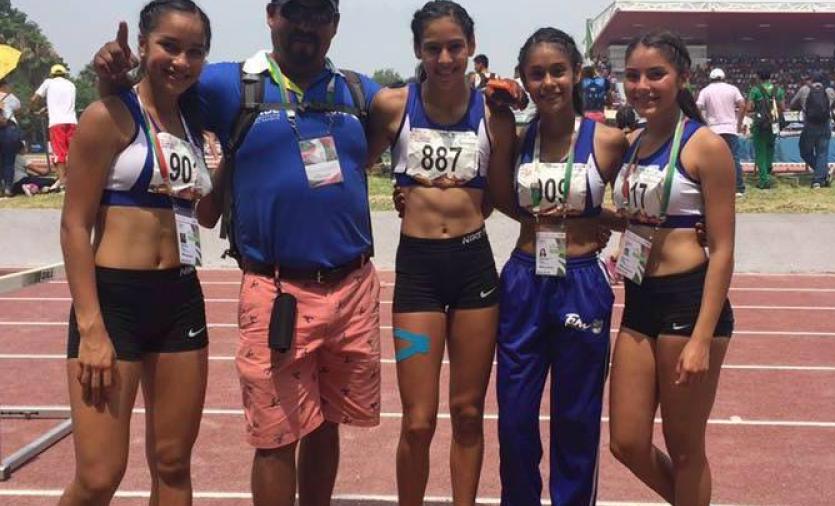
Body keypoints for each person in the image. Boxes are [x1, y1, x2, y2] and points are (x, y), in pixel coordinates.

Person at [95, 1, 383, 504]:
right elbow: (150, 98)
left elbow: (425, 103)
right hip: (275, 288)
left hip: (352, 285)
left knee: (325, 425)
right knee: (276, 437)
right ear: (272, 15)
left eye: (319, 15)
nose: (306, 26)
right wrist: (114, 77)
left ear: (335, 25)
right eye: (295, 12)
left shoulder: (358, 92)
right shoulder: (227, 84)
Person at [59, 2, 213, 505]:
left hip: (180, 300)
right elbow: (75, 225)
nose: (181, 61)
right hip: (113, 302)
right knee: (100, 475)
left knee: (172, 465)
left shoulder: (194, 124)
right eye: (170, 45)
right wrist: (92, 329)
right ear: (143, 46)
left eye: (195, 52)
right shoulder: (109, 115)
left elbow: (207, 216)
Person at [366, 2, 517, 503]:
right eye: (434, 48)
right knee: (417, 420)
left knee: (470, 413)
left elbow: (499, 197)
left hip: (474, 270)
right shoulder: (393, 106)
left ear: (471, 48)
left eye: (455, 47)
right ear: (418, 51)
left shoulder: (495, 115)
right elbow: (354, 162)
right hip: (418, 276)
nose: (446, 58)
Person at [486, 27, 627, 506]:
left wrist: (604, 216)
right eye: (537, 73)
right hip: (525, 279)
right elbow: (499, 197)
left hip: (582, 282)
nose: (548, 82)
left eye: (557, 71)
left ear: (577, 75)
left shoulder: (608, 141)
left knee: (577, 418)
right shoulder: (517, 137)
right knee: (515, 419)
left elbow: (647, 195)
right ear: (525, 79)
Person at [608, 30, 735, 506]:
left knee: (686, 451)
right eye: (633, 75)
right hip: (640, 300)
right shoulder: (633, 142)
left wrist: (702, 338)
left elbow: (722, 249)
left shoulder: (705, 147)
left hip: (689, 302)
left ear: (682, 78)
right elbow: (634, 213)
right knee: (626, 442)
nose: (642, 85)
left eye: (655, 74)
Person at [697, 68, 746, 196]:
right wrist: (738, 122)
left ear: (711, 78)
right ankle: (738, 188)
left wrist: (703, 122)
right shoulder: (732, 89)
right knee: (734, 158)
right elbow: (742, 104)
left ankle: (713, 186)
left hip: (713, 129)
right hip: (730, 128)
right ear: (723, 77)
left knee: (712, 159)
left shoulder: (705, 90)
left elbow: (698, 107)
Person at [790, 70, 835, 189]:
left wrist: (802, 105)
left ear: (812, 80)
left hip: (809, 125)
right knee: (822, 153)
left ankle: (822, 173)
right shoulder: (829, 91)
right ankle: (819, 179)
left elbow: (792, 104)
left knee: (804, 151)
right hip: (824, 125)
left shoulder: (804, 90)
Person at [32, 64, 78, 188]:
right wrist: (47, 108)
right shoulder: (71, 85)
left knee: (59, 152)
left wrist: (34, 109)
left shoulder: (48, 82)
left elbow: (34, 99)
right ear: (64, 74)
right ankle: (74, 178)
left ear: (52, 75)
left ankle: (62, 181)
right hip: (72, 121)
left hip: (56, 123)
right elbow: (63, 102)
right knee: (73, 152)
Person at [744, 64, 784, 190]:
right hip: (774, 124)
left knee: (760, 152)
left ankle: (764, 180)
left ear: (758, 77)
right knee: (770, 150)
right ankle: (768, 174)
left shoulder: (755, 90)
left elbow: (749, 108)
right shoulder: (778, 90)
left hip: (760, 125)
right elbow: (782, 108)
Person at [0, 77, 23, 197]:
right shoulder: (8, 96)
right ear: (3, 85)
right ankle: (8, 188)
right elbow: (19, 108)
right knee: (9, 160)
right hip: (8, 130)